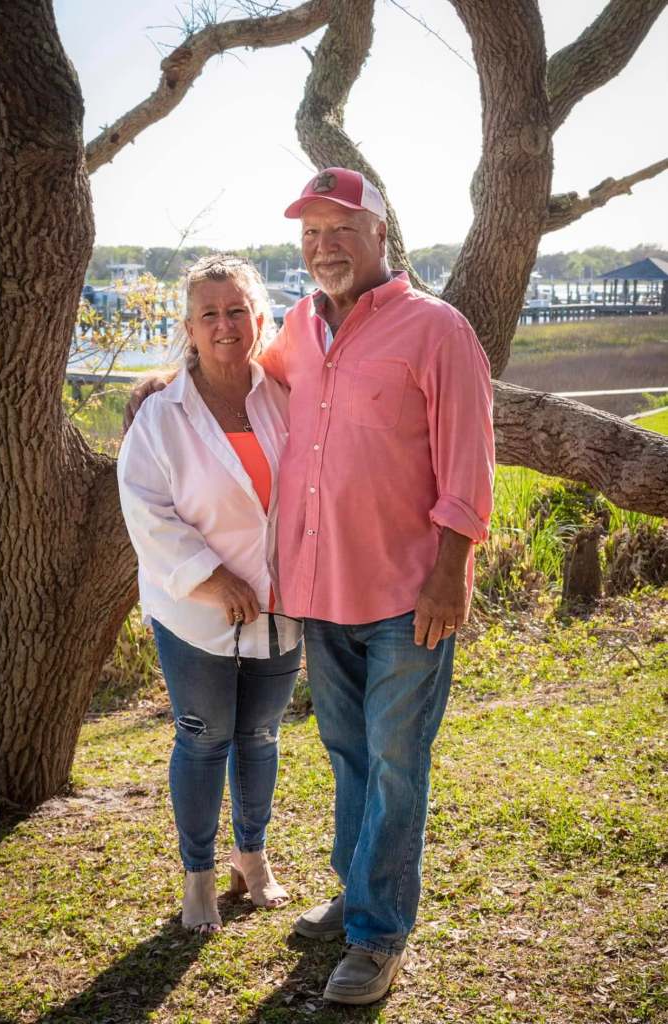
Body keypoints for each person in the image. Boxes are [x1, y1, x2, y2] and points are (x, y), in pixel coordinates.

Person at [125, 167, 494, 1003]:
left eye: (341, 230)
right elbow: (235, 365)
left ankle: (378, 935)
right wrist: (167, 379)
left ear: (379, 234)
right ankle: (356, 892)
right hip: (323, 597)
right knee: (349, 754)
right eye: (311, 235)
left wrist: (451, 571)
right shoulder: (298, 328)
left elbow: (471, 460)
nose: (324, 247)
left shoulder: (437, 330)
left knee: (395, 762)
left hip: (409, 597)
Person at [117, 254, 303, 935]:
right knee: (203, 740)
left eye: (237, 311)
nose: (225, 325)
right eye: (209, 314)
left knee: (259, 736)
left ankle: (251, 858)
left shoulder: (284, 396)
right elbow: (146, 510)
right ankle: (198, 876)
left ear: (259, 317)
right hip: (194, 612)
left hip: (279, 607)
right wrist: (212, 577)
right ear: (189, 328)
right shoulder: (161, 414)